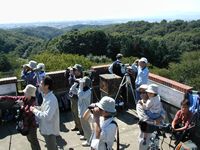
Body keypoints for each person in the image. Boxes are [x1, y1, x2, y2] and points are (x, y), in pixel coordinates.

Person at [0, 84, 41, 150]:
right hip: (26, 125)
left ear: (30, 94)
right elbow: (14, 98)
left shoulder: (33, 102)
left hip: (31, 126)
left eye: (25, 92)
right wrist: (3, 97)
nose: (24, 92)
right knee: (30, 140)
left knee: (34, 142)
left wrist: (22, 106)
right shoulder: (25, 98)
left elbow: (27, 113)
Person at [30, 76, 60, 150]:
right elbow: (44, 109)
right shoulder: (46, 96)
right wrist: (37, 108)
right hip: (47, 129)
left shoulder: (51, 99)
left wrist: (34, 110)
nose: (39, 85)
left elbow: (47, 116)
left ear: (46, 86)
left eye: (41, 84)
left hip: (50, 131)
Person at [68, 64, 84, 135]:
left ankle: (81, 130)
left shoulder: (81, 79)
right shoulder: (74, 76)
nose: (73, 71)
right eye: (73, 69)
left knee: (77, 114)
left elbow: (73, 82)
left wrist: (71, 75)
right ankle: (77, 126)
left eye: (75, 70)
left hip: (77, 98)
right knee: (73, 113)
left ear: (79, 71)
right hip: (72, 97)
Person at [77, 76, 92, 146]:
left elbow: (80, 95)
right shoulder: (83, 89)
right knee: (83, 125)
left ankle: (89, 141)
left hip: (85, 112)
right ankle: (86, 136)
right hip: (81, 110)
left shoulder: (88, 91)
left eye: (83, 82)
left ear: (85, 84)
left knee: (86, 126)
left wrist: (80, 85)